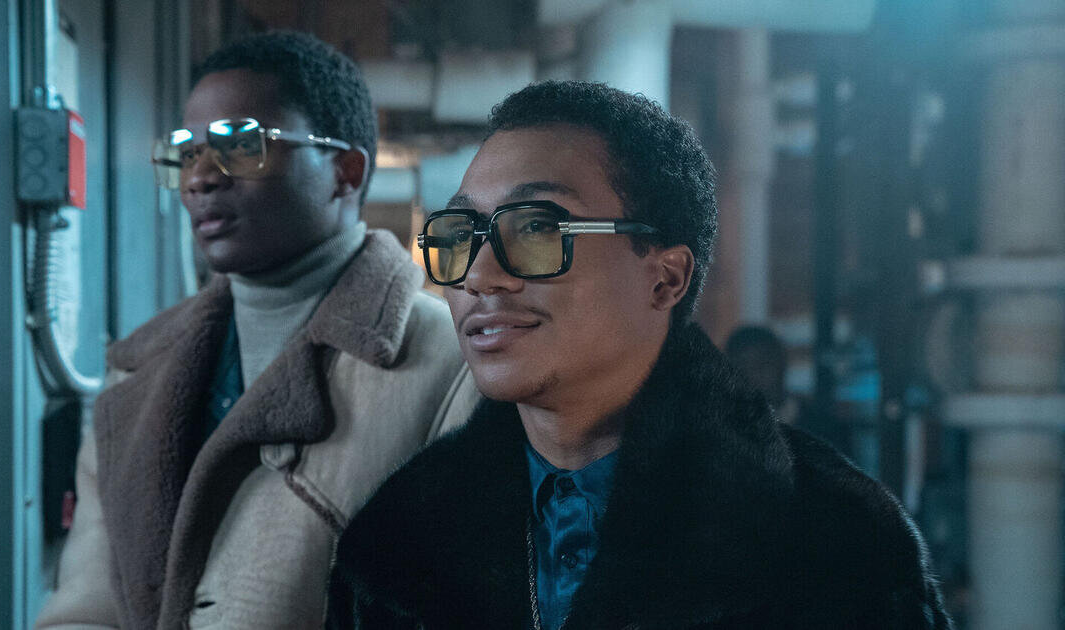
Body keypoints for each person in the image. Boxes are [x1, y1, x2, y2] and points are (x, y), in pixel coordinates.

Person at [326, 81, 952, 629]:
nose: (479, 276)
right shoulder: (396, 545)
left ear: (665, 278)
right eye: (461, 235)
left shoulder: (832, 541)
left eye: (538, 229)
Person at [35, 31, 474, 630]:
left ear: (345, 173)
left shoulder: (452, 367)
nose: (200, 178)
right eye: (186, 153)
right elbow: (86, 608)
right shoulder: (136, 372)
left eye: (241, 145)